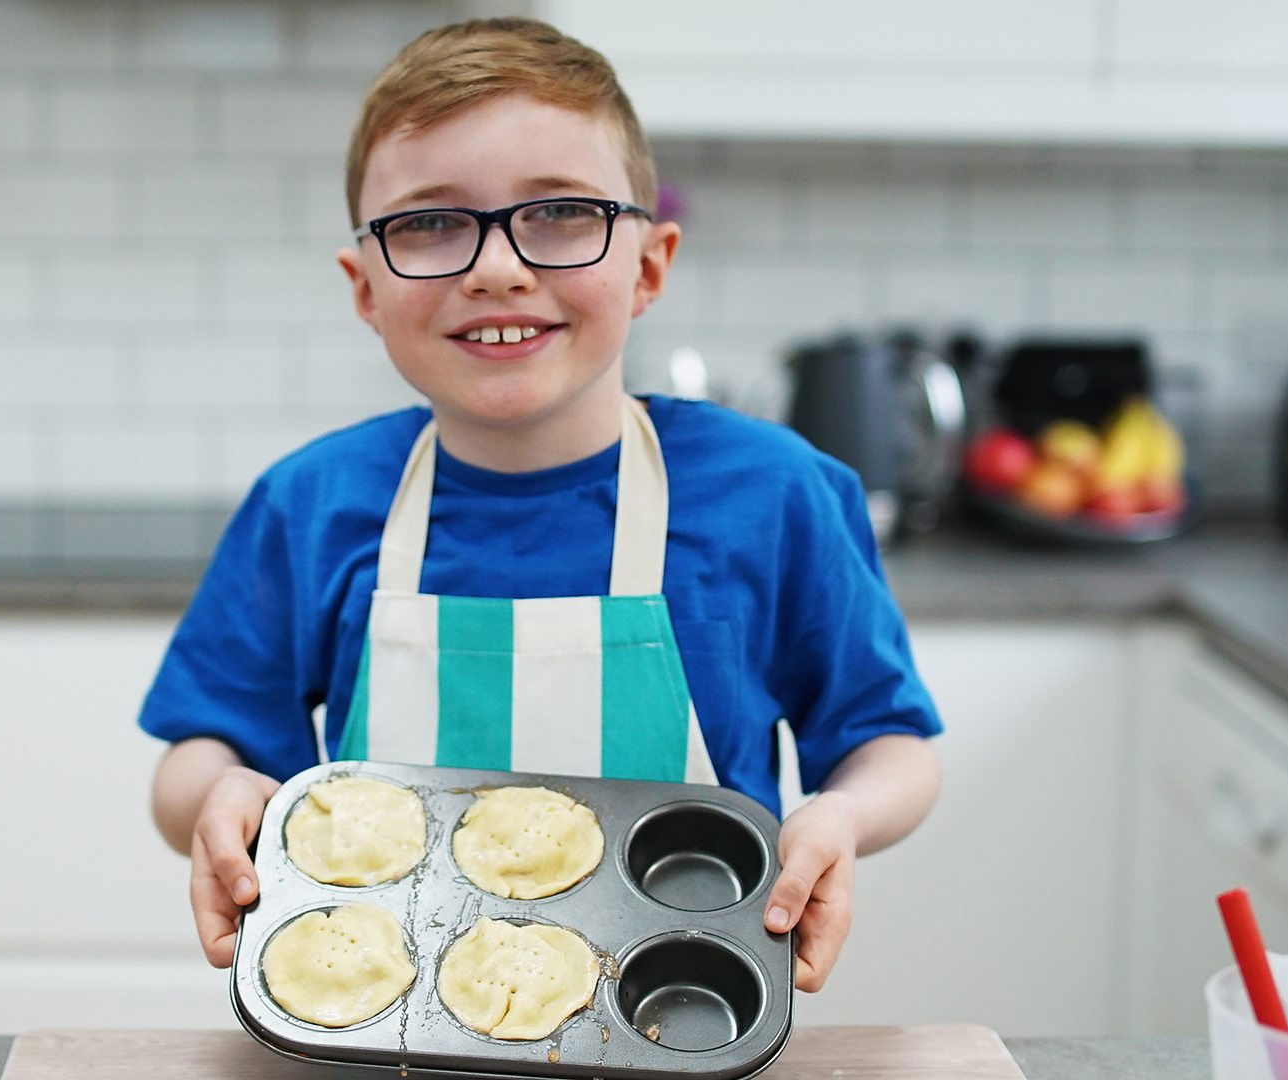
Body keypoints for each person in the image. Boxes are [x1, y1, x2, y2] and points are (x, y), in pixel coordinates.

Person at [141, 16, 942, 995]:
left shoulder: (774, 497)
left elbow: (891, 747)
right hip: (379, 1023)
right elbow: (200, 752)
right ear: (365, 289)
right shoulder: (311, 505)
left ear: (649, 264)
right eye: (429, 224)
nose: (496, 267)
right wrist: (219, 793)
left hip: (674, 1009)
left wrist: (842, 815)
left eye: (560, 212)